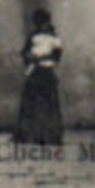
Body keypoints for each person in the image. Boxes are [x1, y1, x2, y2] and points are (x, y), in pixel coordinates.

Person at [14, 8, 65, 146]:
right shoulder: (33, 38)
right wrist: (30, 58)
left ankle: (50, 135)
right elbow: (24, 53)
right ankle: (29, 134)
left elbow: (56, 56)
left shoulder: (54, 40)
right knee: (32, 104)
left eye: (42, 23)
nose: (41, 26)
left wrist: (41, 57)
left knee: (47, 104)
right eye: (39, 23)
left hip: (46, 72)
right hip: (36, 72)